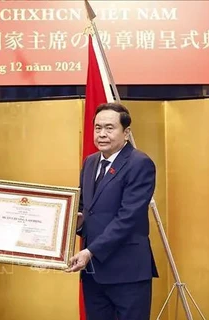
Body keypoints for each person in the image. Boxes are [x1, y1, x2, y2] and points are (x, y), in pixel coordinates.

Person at [66, 103, 158, 320]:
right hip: (94, 273)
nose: (102, 134)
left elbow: (128, 217)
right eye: (97, 128)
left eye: (109, 128)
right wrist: (76, 222)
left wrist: (90, 251)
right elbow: (84, 208)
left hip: (128, 271)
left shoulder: (139, 163)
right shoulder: (90, 162)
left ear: (126, 133)